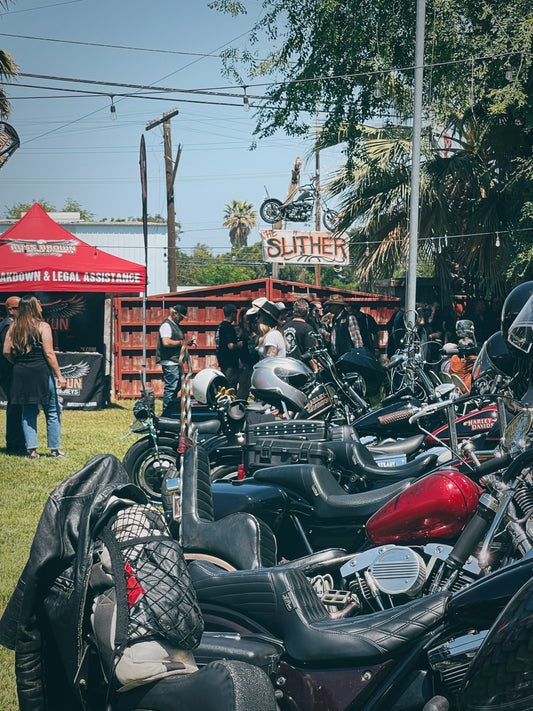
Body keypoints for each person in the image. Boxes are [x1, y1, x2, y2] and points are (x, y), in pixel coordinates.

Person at [3, 295, 68, 458]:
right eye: (38, 304)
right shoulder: (42, 326)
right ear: (33, 307)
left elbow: (6, 351)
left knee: (28, 411)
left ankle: (32, 450)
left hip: (21, 373)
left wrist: (18, 362)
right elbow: (49, 353)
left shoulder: (14, 327)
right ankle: (54, 450)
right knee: (52, 410)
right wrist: (60, 375)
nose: (41, 306)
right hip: (41, 372)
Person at [156, 304, 195, 415]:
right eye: (181, 316)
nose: (182, 319)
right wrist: (182, 342)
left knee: (176, 387)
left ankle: (170, 410)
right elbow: (166, 342)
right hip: (170, 362)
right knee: (171, 388)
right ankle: (166, 413)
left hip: (175, 362)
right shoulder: (166, 326)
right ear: (175, 313)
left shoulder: (174, 325)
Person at [0, 296, 25, 454]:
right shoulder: (9, 326)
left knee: (15, 407)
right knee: (15, 407)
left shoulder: (7, 324)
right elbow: (7, 352)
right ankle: (14, 443)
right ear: (11, 310)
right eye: (19, 307)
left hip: (9, 371)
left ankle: (16, 441)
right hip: (10, 372)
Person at [326, 293, 364, 358]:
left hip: (349, 357)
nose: (329, 308)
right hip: (338, 357)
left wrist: (358, 355)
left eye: (331, 305)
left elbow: (357, 340)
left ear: (338, 306)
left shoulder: (349, 318)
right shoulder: (335, 319)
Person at [215, 303, 242, 391]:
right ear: (233, 313)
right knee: (230, 388)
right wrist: (240, 345)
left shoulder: (220, 326)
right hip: (230, 362)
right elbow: (231, 346)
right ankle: (230, 404)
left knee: (224, 385)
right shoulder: (228, 327)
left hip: (222, 361)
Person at [282, 298, 317, 363]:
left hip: (285, 365)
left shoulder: (284, 327)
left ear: (293, 312)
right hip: (301, 367)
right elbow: (311, 352)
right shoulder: (307, 328)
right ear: (307, 313)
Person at [235, 307, 259, 400]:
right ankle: (240, 400)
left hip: (254, 358)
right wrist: (239, 361)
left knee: (250, 383)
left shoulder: (254, 328)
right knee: (243, 383)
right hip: (244, 359)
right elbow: (237, 348)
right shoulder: (239, 330)